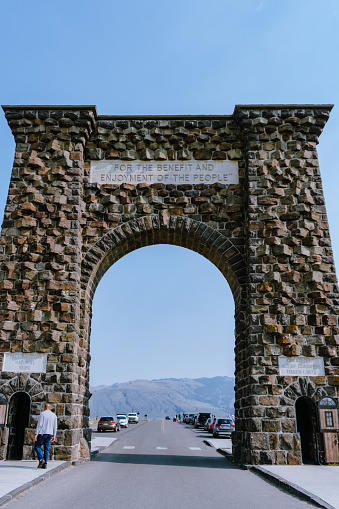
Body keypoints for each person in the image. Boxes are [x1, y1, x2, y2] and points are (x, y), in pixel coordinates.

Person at [34, 403, 57, 469]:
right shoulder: (54, 415)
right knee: (46, 449)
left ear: (44, 407)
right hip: (50, 434)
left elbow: (40, 425)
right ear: (50, 408)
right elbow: (55, 427)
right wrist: (54, 435)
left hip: (42, 433)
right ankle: (45, 464)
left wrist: (36, 433)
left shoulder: (42, 414)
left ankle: (41, 460)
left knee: (37, 446)